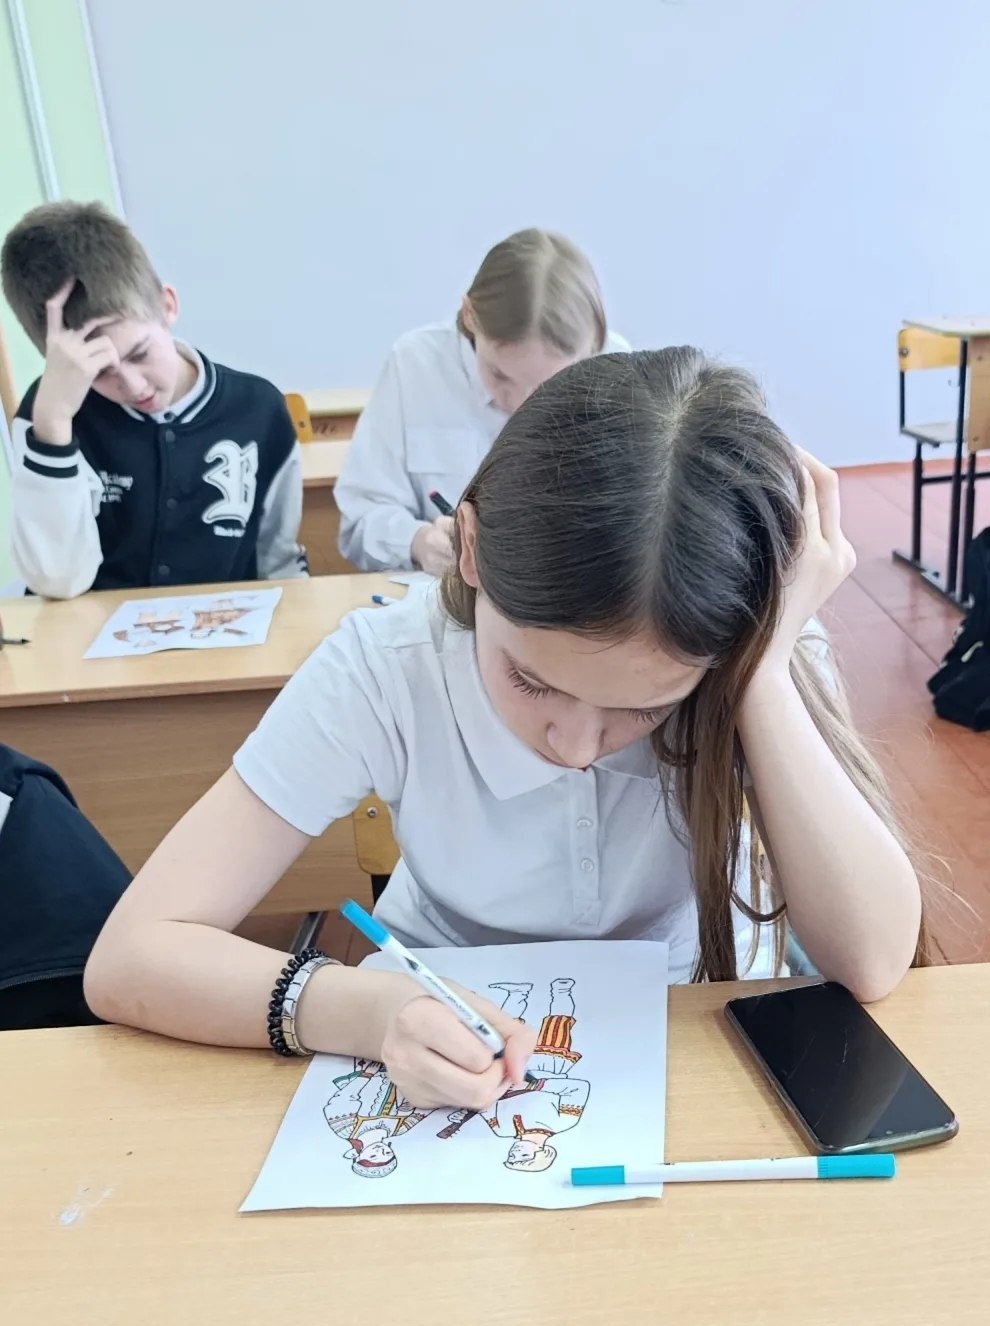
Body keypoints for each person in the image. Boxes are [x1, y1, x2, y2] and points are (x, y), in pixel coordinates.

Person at [85, 347, 927, 1120]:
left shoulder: (752, 649)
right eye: (532, 680)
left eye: (646, 707)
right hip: (435, 1026)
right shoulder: (388, 665)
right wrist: (367, 1009)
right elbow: (129, 956)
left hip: (696, 1021)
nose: (576, 745)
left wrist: (762, 672)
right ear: (471, 549)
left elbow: (873, 958)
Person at [1, 201, 306, 599]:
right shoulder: (48, 413)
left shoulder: (258, 409)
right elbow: (56, 582)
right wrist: (53, 426)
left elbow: (279, 563)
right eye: (100, 373)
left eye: (140, 353)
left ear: (167, 305)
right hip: (89, 636)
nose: (133, 386)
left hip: (225, 631)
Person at [334, 228, 629, 575]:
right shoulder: (415, 365)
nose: (519, 404)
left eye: (548, 386)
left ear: (592, 348)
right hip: (443, 593)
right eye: (500, 375)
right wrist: (417, 541)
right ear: (469, 315)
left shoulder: (616, 371)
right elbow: (360, 519)